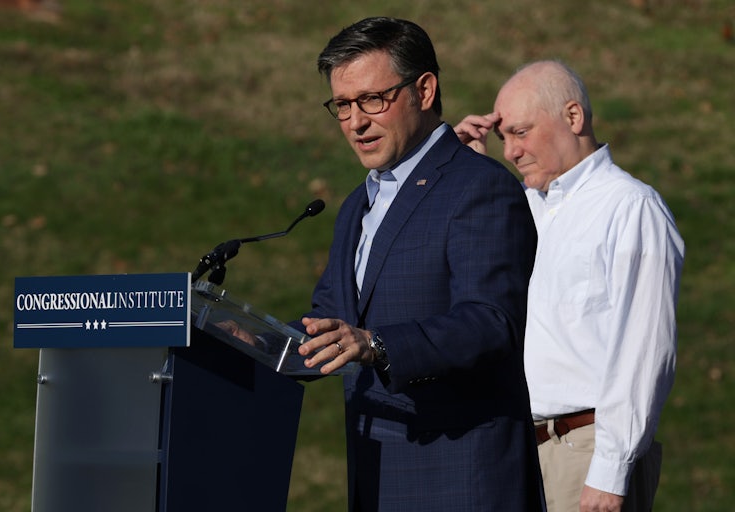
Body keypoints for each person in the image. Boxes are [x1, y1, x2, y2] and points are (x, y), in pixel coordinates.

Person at [293, 17, 546, 512]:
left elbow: (490, 322)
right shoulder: (355, 206)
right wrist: (245, 341)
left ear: (424, 90)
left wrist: (375, 345)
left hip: (461, 479)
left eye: (372, 100)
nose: (356, 122)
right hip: (378, 476)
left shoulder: (480, 187)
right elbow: (329, 323)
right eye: (342, 105)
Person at [454, 60, 685, 512]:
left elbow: (643, 348)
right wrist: (462, 170)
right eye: (504, 138)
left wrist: (609, 472)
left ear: (574, 117)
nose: (511, 151)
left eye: (520, 132)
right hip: (515, 454)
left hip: (585, 456)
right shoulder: (522, 208)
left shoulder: (630, 207)